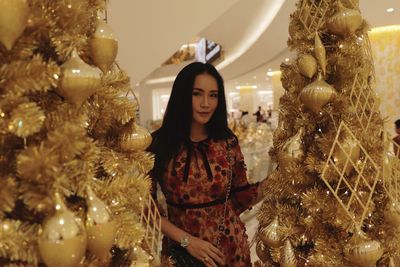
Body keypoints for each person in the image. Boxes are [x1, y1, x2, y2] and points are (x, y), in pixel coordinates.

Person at [148, 62, 268, 267]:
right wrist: (188, 242)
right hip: (183, 255)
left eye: (213, 95)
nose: (206, 103)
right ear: (183, 95)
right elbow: (147, 210)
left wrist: (276, 181)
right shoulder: (158, 144)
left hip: (231, 251)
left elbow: (239, 198)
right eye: (197, 94)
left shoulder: (227, 142)